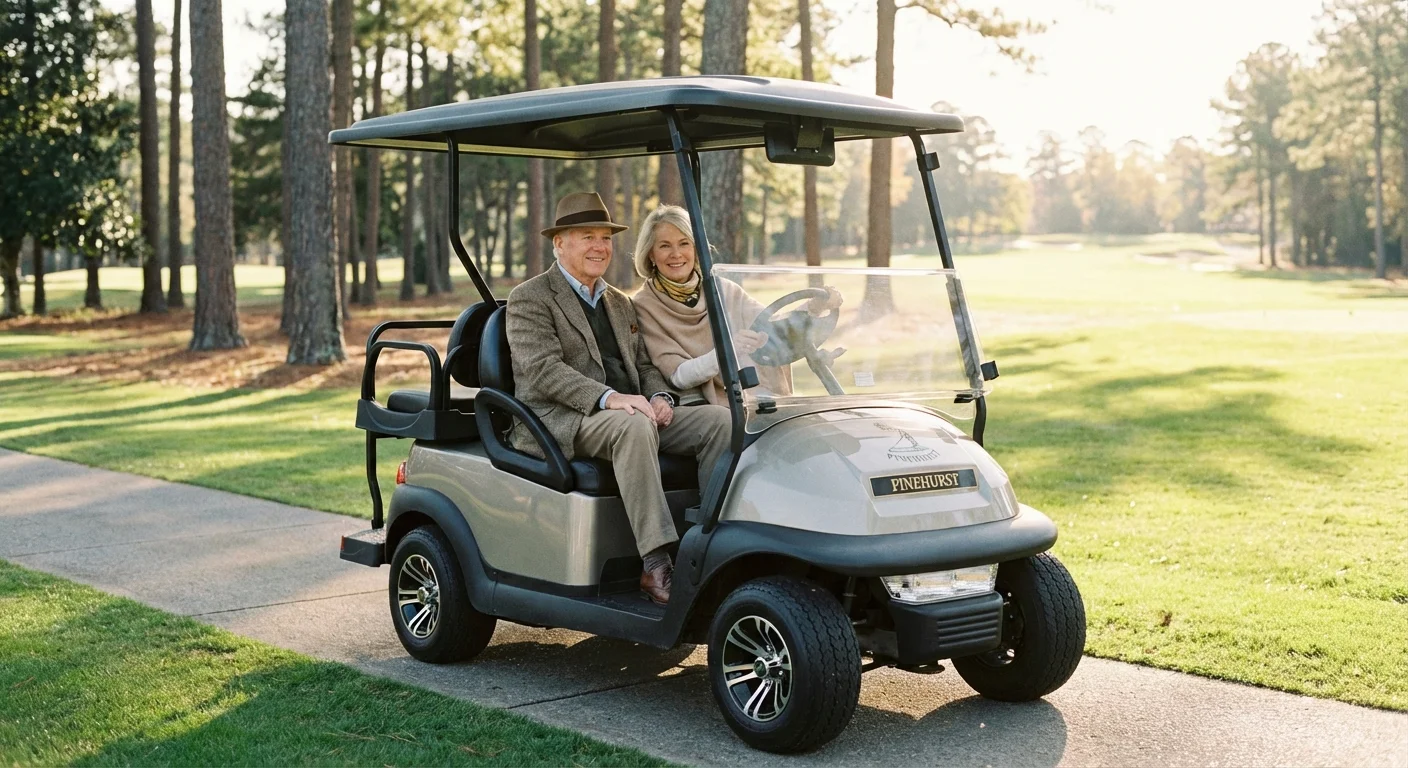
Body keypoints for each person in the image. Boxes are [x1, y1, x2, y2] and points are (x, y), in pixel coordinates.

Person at [504, 193, 732, 606]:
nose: (599, 246)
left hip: (629, 412)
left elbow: (643, 365)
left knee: (719, 421)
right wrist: (609, 398)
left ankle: (712, 547)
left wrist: (661, 396)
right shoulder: (531, 297)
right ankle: (656, 562)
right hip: (562, 417)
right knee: (633, 425)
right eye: (587, 236)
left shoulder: (618, 301)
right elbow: (543, 371)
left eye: (605, 238)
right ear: (560, 244)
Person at [631, 204, 839, 405]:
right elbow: (678, 376)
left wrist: (814, 307)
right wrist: (728, 351)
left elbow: (771, 324)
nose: (676, 254)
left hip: (752, 394)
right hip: (704, 405)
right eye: (665, 246)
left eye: (684, 243)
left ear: (696, 248)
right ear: (651, 253)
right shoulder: (645, 305)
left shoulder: (722, 288)